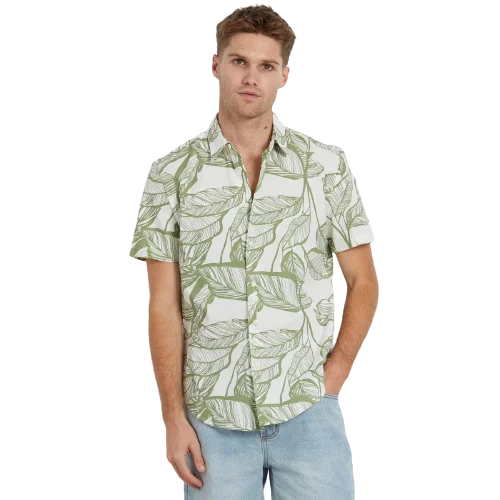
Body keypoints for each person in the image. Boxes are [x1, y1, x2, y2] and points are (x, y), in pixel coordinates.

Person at [129, 4, 379, 499]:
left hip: (308, 411)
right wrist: (173, 419)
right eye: (239, 61)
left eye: (266, 66)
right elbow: (163, 305)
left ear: (284, 76)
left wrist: (335, 375)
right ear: (216, 65)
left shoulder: (326, 165)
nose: (251, 78)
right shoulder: (169, 174)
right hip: (211, 420)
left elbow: (364, 280)